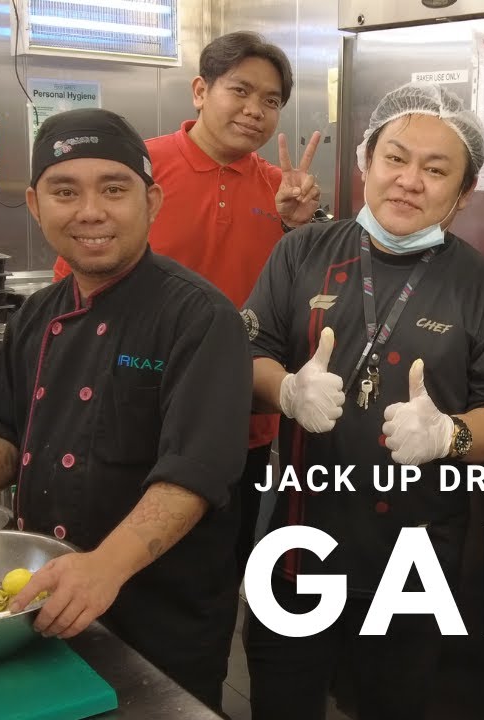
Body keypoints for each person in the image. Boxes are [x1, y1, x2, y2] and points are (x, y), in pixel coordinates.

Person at [0, 108, 251, 713]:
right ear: (35, 204)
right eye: (64, 192)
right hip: (40, 602)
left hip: (158, 620)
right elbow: (1, 423)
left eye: (114, 189)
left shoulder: (201, 317)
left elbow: (195, 473)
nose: (90, 211)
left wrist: (104, 567)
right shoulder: (35, 313)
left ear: (151, 201)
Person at [240, 82, 484, 720]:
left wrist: (449, 434)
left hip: (417, 555)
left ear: (464, 191)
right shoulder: (302, 250)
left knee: (393, 702)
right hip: (298, 538)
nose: (409, 181)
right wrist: (285, 389)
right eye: (395, 158)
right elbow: (250, 354)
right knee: (283, 700)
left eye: (436, 170)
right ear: (366, 163)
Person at [51, 30, 322, 577]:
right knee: (106, 567)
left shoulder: (283, 191)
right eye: (240, 90)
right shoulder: (138, 170)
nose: (255, 110)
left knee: (214, 570)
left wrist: (298, 228)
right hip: (126, 409)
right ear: (200, 90)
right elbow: (76, 287)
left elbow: (300, 301)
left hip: (237, 416)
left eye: (271, 101)